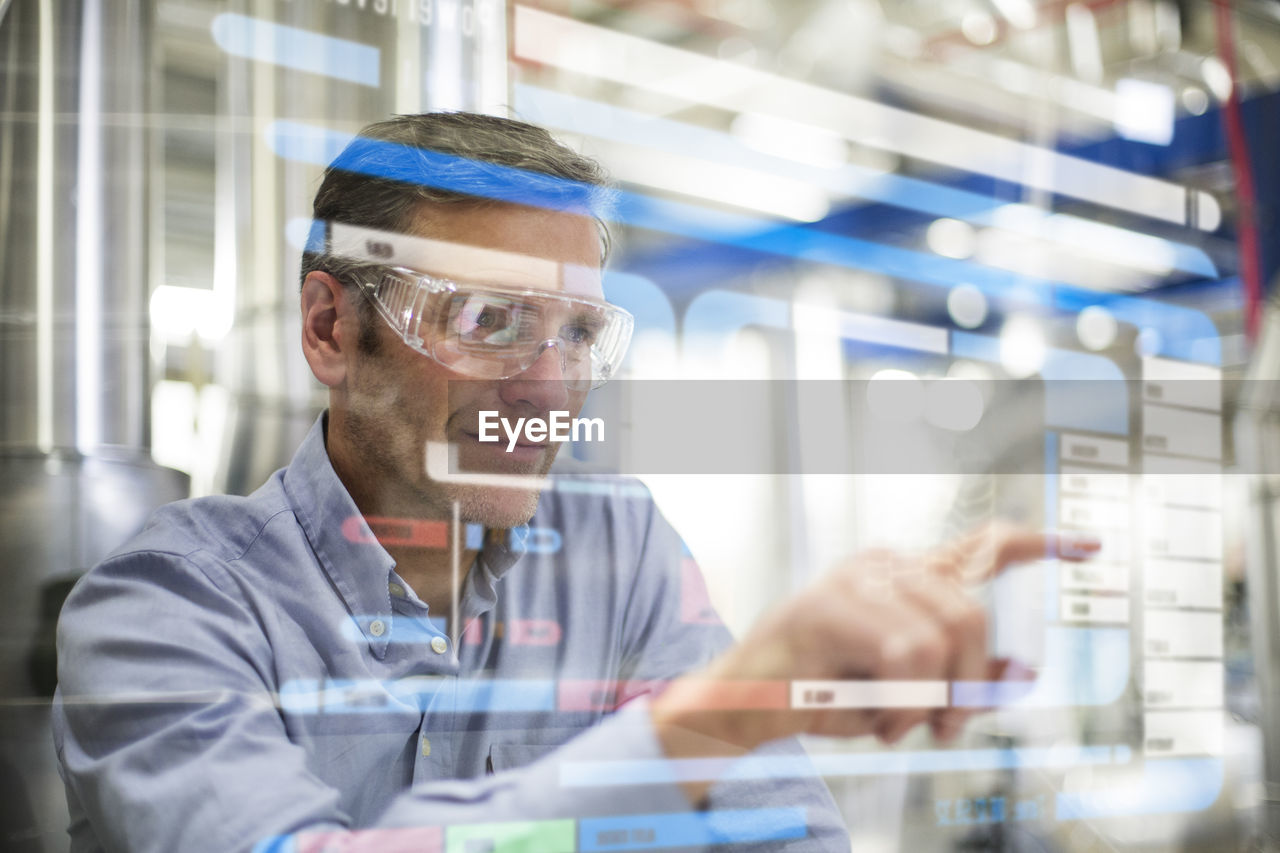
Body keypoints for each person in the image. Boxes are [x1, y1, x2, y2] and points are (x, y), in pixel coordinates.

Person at [52, 112, 1096, 853]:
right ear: (332, 329)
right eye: (488, 321)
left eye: (579, 332)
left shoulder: (617, 548)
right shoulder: (163, 609)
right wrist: (721, 708)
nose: (550, 385)